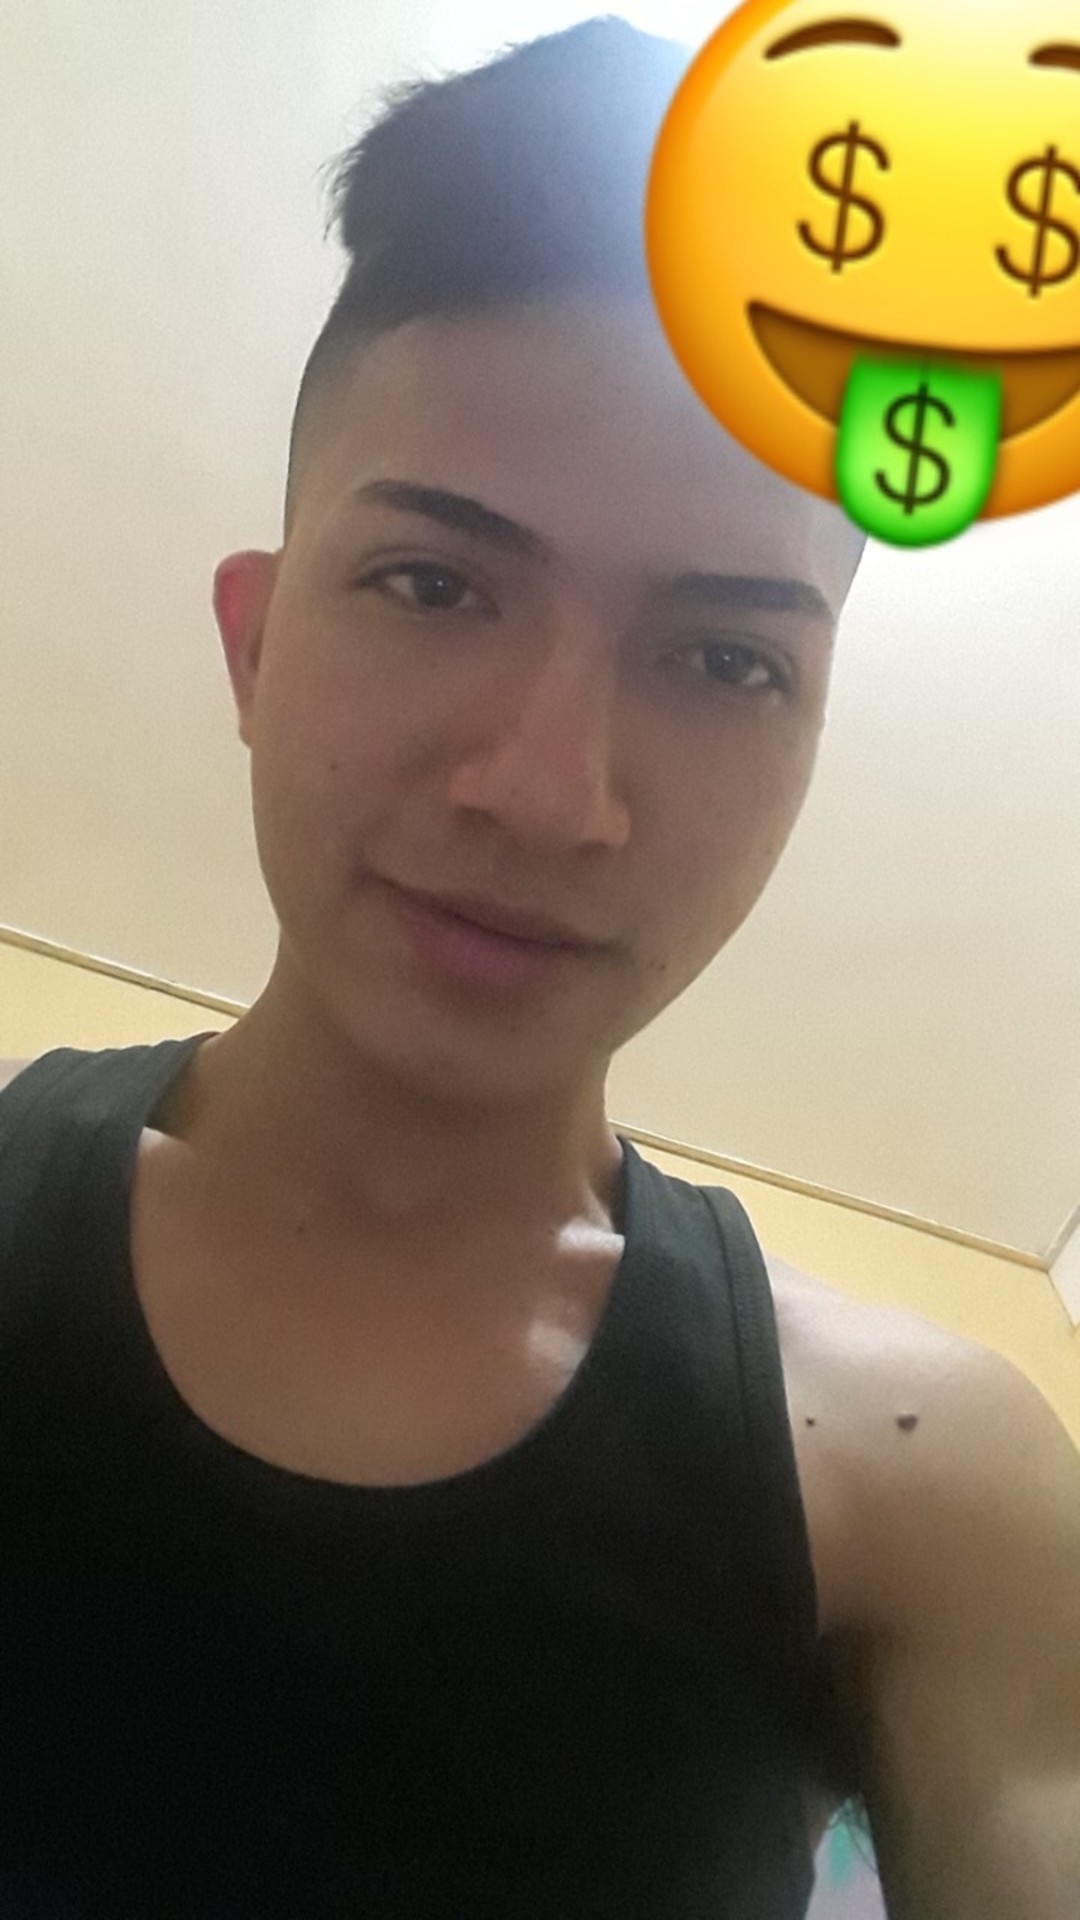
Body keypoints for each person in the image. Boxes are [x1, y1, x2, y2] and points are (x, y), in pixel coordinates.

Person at [9, 17, 1078, 1919]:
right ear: (254, 647)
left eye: (725, 659)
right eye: (434, 583)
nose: (546, 792)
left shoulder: (928, 1489)